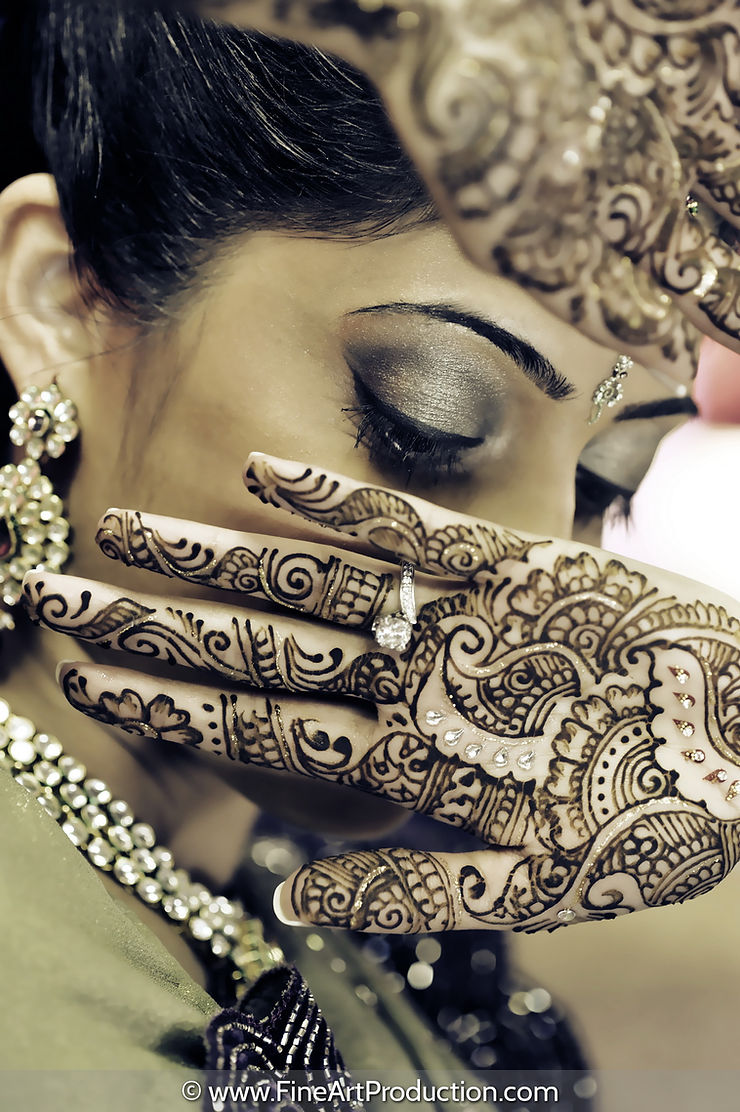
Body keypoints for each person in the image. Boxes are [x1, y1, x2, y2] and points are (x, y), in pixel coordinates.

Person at [1, 2, 738, 1109]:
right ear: (63, 301)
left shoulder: (347, 916)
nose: (535, 588)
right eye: (424, 424)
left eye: (601, 487)